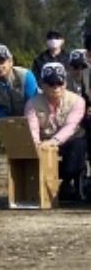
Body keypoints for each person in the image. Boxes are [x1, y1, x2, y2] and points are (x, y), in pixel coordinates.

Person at [25, 62, 87, 201]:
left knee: (79, 146)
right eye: (51, 83)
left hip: (71, 140)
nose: (56, 87)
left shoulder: (77, 101)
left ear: (65, 83)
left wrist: (53, 142)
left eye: (59, 82)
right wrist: (37, 144)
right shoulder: (32, 104)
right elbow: (32, 129)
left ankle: (68, 182)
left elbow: (71, 126)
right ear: (42, 84)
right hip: (43, 142)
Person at [0, 44, 38, 118]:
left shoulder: (26, 76)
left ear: (11, 62)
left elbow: (33, 103)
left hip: (32, 116)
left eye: (2, 62)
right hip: (5, 121)